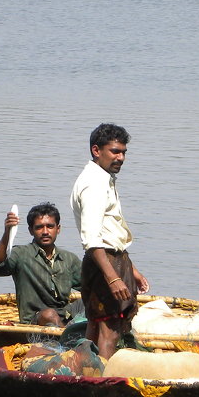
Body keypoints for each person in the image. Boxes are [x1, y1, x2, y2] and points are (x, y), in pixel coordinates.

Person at [70, 123, 149, 359]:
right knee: (110, 330)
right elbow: (93, 239)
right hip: (105, 262)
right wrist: (113, 277)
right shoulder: (94, 183)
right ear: (97, 150)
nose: (121, 157)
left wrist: (131, 270)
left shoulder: (102, 178)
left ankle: (88, 374)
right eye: (115, 151)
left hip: (108, 260)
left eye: (123, 152)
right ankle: (102, 381)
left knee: (95, 325)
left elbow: (110, 232)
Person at [0, 202, 82, 327]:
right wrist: (7, 233)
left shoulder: (69, 259)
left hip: (65, 316)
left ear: (58, 229)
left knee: (96, 299)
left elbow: (90, 285)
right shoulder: (21, 254)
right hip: (35, 320)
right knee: (49, 314)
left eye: (50, 226)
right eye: (39, 227)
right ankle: (67, 336)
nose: (45, 232)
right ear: (31, 231)